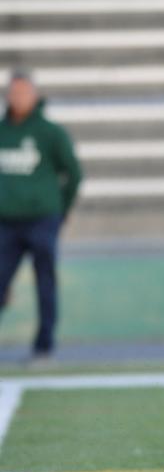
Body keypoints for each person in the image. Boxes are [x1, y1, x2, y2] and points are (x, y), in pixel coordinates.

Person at [0, 69, 83, 363]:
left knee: (45, 282)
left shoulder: (50, 133)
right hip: (5, 223)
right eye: (14, 92)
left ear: (34, 96)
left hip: (42, 219)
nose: (18, 98)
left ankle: (44, 346)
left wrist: (60, 209)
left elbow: (73, 173)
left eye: (24, 92)